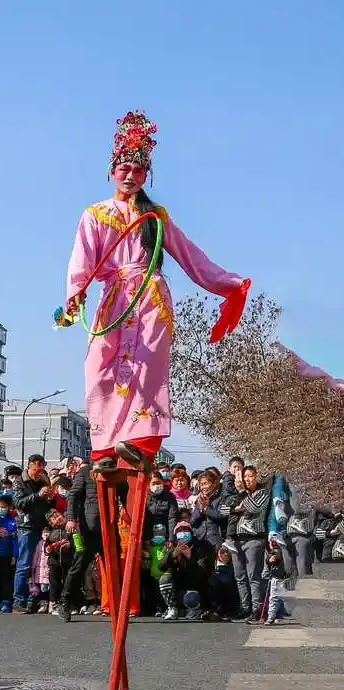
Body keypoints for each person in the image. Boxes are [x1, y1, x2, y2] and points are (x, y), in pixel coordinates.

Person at [65, 110, 249, 474]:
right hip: (113, 297)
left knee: (147, 368)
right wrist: (75, 293)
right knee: (100, 364)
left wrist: (228, 283)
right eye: (124, 168)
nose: (130, 176)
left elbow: (190, 257)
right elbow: (80, 261)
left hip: (150, 299)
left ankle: (141, 443)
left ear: (146, 175)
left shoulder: (156, 215)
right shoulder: (94, 214)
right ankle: (104, 448)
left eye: (138, 170)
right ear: (111, 171)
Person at [227, 465, 270, 622]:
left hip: (254, 539)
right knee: (240, 576)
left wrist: (242, 497)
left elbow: (253, 507)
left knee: (254, 575)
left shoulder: (262, 493)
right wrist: (238, 505)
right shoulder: (240, 494)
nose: (247, 479)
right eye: (245, 477)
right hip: (236, 541)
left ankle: (257, 608)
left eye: (251, 476)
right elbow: (225, 509)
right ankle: (245, 607)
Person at [12, 455, 55, 614]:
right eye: (36, 470)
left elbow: (47, 504)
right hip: (26, 526)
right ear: (29, 467)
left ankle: (33, 599)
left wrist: (50, 498)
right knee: (24, 564)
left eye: (41, 470)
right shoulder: (19, 482)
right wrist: (38, 495)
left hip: (41, 527)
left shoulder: (44, 480)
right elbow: (19, 503)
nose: (39, 473)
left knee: (38, 566)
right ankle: (18, 600)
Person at [60, 463, 102, 622]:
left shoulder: (115, 471)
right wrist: (71, 518)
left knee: (115, 566)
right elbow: (73, 495)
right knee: (78, 566)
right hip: (88, 528)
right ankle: (65, 601)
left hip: (109, 528)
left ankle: (116, 603)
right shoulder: (85, 471)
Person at [44, 509, 75, 615]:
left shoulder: (69, 529)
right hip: (54, 561)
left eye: (58, 515)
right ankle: (53, 604)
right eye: (54, 518)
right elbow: (46, 548)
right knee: (54, 583)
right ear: (50, 523)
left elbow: (74, 543)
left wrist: (69, 545)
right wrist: (49, 549)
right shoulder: (50, 533)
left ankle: (69, 604)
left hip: (67, 561)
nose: (58, 518)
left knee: (68, 582)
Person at [191, 470, 228, 550]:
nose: (203, 487)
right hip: (200, 540)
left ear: (214, 483)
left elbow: (224, 517)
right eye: (201, 484)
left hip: (217, 541)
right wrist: (200, 512)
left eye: (206, 483)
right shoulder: (200, 500)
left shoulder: (224, 498)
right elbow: (192, 521)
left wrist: (207, 509)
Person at [144, 471, 179, 541]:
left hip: (165, 534)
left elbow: (172, 518)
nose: (156, 486)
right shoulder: (145, 496)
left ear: (163, 482)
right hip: (148, 535)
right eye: (153, 483)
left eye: (158, 483)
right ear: (149, 484)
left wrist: (171, 539)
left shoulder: (170, 496)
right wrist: (145, 539)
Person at [264, 538, 287, 625]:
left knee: (284, 599)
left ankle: (279, 615)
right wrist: (270, 559)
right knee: (274, 598)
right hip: (276, 577)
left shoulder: (286, 551)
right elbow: (269, 558)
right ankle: (271, 616)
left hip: (285, 577)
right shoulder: (273, 551)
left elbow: (280, 555)